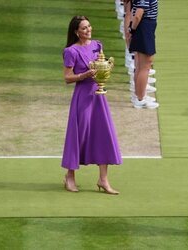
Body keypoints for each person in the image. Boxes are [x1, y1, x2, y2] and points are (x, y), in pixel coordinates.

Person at [61, 16, 122, 195]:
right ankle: (70, 177)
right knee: (78, 136)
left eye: (89, 26)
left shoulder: (98, 45)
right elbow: (67, 77)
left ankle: (103, 180)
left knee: (103, 135)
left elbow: (101, 68)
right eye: (84, 28)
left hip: (98, 96)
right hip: (83, 97)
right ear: (76, 32)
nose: (88, 30)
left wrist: (103, 74)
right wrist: (84, 75)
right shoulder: (71, 51)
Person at [128, 0, 159, 109]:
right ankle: (140, 99)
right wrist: (132, 30)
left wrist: (132, 30)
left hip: (144, 27)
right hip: (144, 27)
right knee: (145, 66)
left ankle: (139, 95)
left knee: (141, 65)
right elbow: (138, 14)